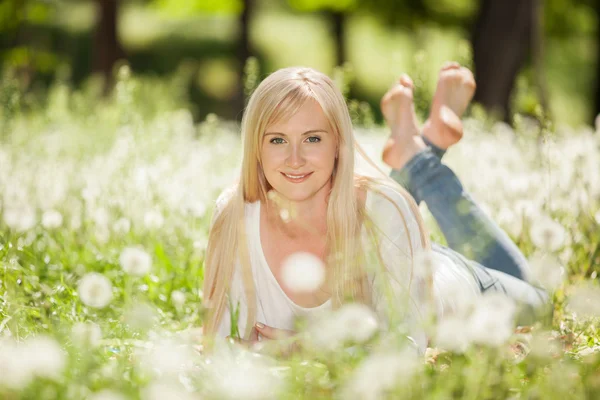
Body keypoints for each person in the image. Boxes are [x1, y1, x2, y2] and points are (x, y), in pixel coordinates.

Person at [202, 63, 548, 353]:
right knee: (376, 209)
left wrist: (314, 348)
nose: (295, 158)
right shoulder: (235, 217)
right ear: (256, 148)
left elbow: (408, 346)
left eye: (312, 139)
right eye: (277, 139)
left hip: (452, 283)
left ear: (339, 143)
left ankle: (418, 158)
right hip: (393, 247)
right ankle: (417, 148)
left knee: (541, 302)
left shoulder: (385, 207)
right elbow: (222, 347)